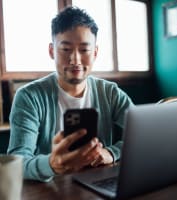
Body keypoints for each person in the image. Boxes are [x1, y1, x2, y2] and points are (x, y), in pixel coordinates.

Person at [7, 6, 134, 182]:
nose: (75, 59)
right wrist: (51, 164)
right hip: (49, 190)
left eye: (84, 50)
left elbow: (141, 137)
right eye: (66, 49)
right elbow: (17, 164)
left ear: (95, 52)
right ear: (52, 51)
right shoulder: (29, 97)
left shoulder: (110, 93)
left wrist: (112, 152)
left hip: (98, 185)